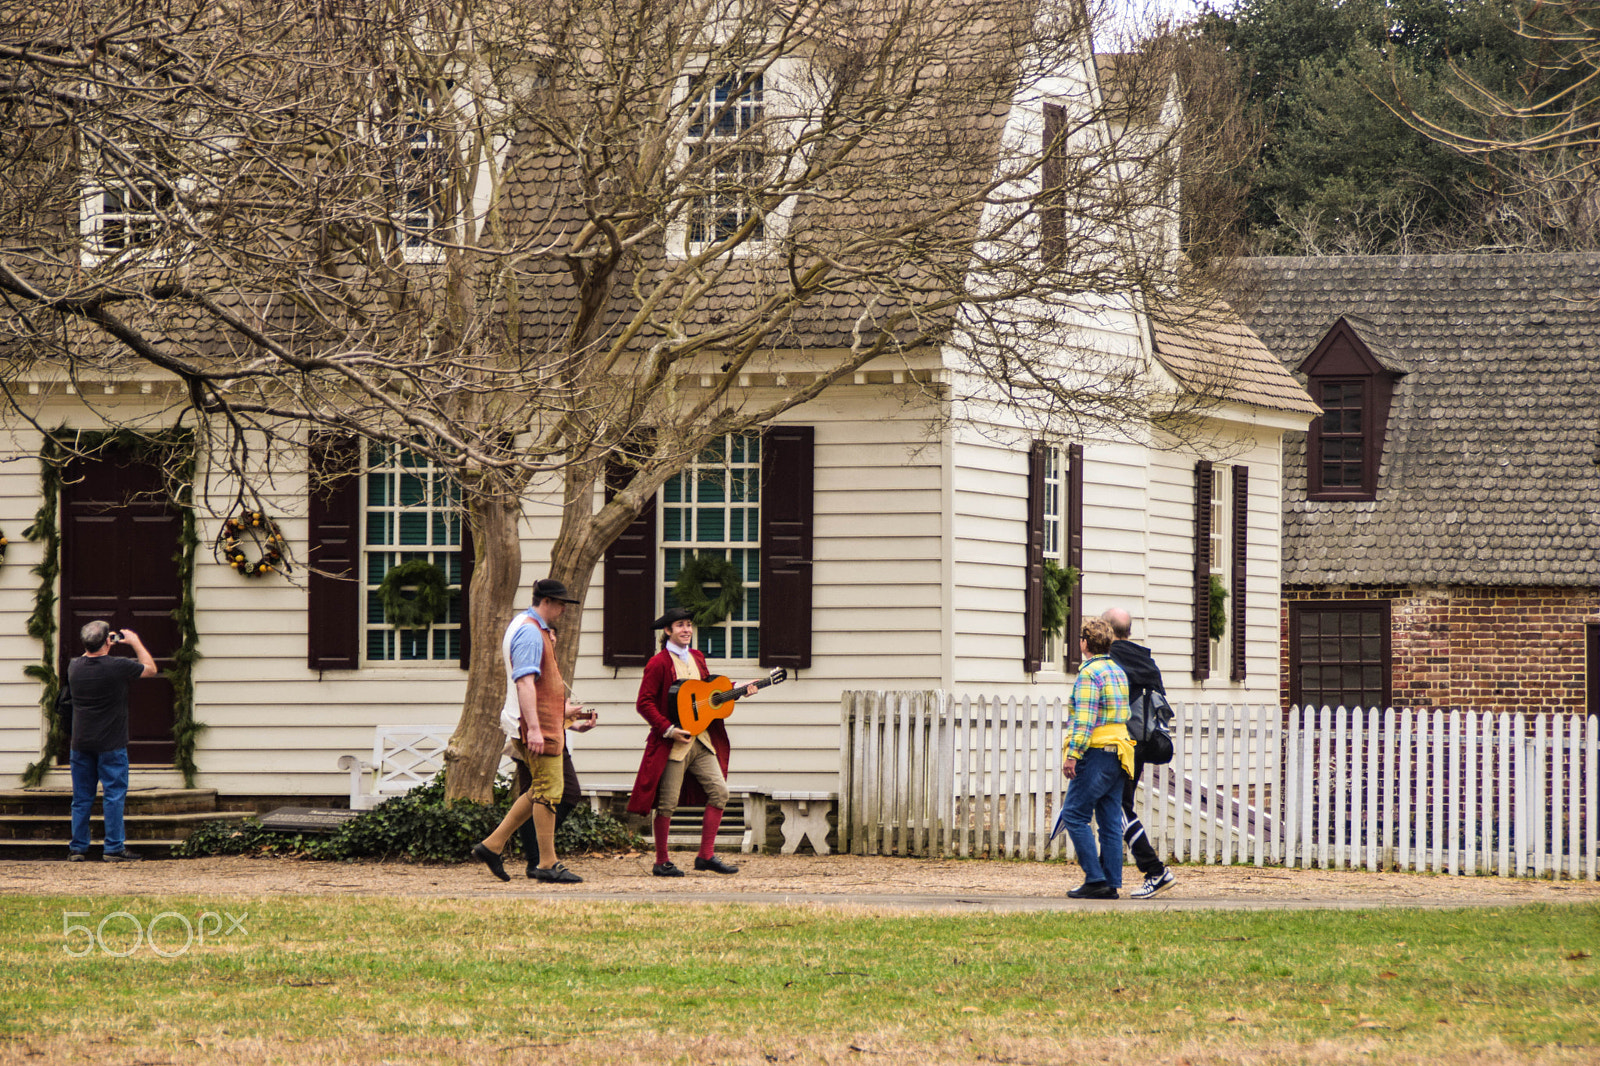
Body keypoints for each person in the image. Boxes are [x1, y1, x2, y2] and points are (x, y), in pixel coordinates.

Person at [472, 578, 590, 885]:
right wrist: (535, 730)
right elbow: (524, 683)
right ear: (547, 602)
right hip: (533, 727)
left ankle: (492, 846)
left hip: (536, 723)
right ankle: (547, 863)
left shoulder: (527, 626)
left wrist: (568, 721)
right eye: (562, 603)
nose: (564, 609)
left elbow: (538, 688)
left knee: (539, 789)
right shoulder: (529, 632)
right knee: (550, 792)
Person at [627, 607, 757, 877]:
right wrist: (668, 729)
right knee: (667, 804)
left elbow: (708, 691)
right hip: (674, 743)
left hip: (702, 739)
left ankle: (705, 856)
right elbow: (644, 703)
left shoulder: (697, 657)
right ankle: (661, 861)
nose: (686, 630)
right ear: (668, 631)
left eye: (688, 625)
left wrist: (739, 689)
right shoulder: (658, 663)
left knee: (720, 792)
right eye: (680, 625)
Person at [66, 621, 157, 862]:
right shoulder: (117, 666)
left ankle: (78, 848)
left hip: (81, 742)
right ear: (108, 641)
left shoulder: (74, 666)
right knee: (113, 795)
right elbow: (150, 669)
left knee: (81, 797)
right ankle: (114, 847)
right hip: (111, 743)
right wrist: (135, 641)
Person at [1103, 606, 1177, 900]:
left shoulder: (1111, 660)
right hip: (1145, 742)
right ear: (1129, 631)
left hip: (1123, 743)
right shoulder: (1147, 661)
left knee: (1119, 808)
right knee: (1115, 806)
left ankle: (1155, 871)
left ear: (1107, 630)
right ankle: (1102, 876)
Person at [1059, 616, 1133, 900]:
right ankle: (1112, 882)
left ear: (1084, 643)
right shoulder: (1118, 671)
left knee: (1074, 814)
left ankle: (1095, 877)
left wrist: (1072, 755)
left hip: (1097, 751)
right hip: (1120, 752)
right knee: (1110, 819)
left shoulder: (1090, 675)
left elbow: (1085, 719)